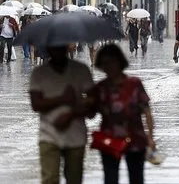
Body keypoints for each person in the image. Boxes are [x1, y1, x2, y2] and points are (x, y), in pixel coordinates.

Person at [29, 45, 94, 184]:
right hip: (48, 136)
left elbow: (93, 105)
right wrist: (63, 99)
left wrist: (71, 114)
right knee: (49, 179)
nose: (58, 49)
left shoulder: (81, 70)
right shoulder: (39, 73)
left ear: (68, 47)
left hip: (76, 136)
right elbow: (36, 104)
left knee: (75, 179)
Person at [91, 44, 156, 184]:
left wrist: (150, 137)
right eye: (105, 63)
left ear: (120, 61)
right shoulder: (100, 88)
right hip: (109, 138)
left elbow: (147, 111)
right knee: (110, 178)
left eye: (112, 62)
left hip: (135, 138)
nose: (109, 66)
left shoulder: (134, 84)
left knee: (136, 178)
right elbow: (90, 113)